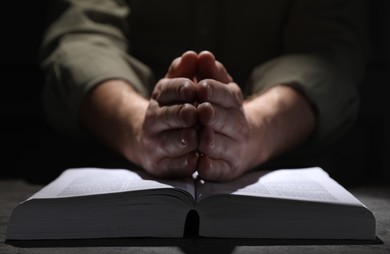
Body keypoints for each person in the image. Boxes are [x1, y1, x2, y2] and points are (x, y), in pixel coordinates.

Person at [40, 0, 367, 182]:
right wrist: (136, 127)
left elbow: (331, 49)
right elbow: (80, 38)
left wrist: (255, 129)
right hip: (108, 163)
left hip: (292, 167)